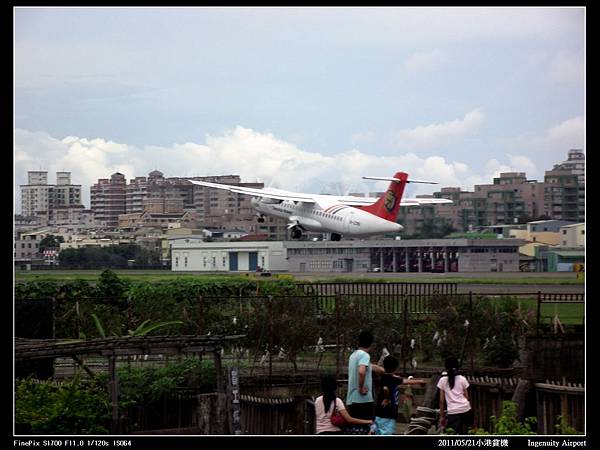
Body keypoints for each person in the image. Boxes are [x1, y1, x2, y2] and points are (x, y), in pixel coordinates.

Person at [373, 355, 426, 435]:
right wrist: (388, 398)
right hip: (388, 413)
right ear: (396, 368)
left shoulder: (384, 377)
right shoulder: (392, 379)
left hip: (379, 413)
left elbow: (404, 381)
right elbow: (385, 388)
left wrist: (419, 381)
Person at [346, 330, 385, 434]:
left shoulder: (353, 355)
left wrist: (381, 370)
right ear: (371, 344)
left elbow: (368, 367)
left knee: (355, 429)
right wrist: (361, 387)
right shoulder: (365, 355)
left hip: (352, 399)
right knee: (369, 429)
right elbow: (362, 372)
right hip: (363, 399)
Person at [437, 356, 474, 434]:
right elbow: (467, 397)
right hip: (466, 409)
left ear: (446, 367)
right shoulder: (462, 379)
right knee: (469, 432)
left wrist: (441, 416)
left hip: (453, 412)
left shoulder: (442, 380)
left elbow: (441, 401)